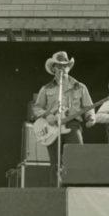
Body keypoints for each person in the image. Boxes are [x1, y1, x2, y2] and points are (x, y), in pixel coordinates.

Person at [33, 51, 95, 186]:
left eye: (65, 65)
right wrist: (47, 115)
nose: (62, 68)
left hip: (73, 125)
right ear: (53, 68)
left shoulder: (80, 86)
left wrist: (90, 117)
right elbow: (37, 108)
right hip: (52, 127)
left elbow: (89, 106)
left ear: (69, 67)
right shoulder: (46, 88)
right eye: (59, 66)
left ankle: (76, 192)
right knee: (55, 163)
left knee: (77, 158)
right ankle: (56, 194)